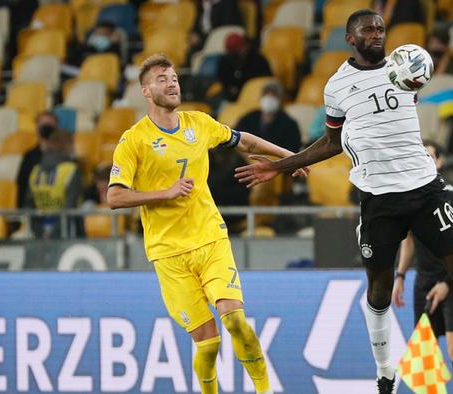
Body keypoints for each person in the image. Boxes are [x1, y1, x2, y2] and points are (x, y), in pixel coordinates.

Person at [234, 10, 453, 393]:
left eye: (380, 27)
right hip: (378, 199)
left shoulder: (404, 64)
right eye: (368, 29)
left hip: (425, 189)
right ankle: (384, 372)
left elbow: (421, 76)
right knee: (377, 292)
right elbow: (331, 141)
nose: (376, 33)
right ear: (350, 37)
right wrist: (281, 166)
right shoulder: (337, 86)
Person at [107, 54, 306, 394]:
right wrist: (163, 193)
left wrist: (290, 157)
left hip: (210, 239)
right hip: (168, 254)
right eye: (161, 79)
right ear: (145, 90)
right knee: (208, 343)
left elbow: (245, 140)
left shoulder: (198, 124)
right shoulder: (134, 140)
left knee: (235, 321)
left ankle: (265, 390)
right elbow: (114, 197)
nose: (171, 83)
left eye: (174, 78)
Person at [392, 141, 453, 394]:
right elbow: (408, 242)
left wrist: (447, 283)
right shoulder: (408, 198)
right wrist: (400, 275)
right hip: (424, 281)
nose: (424, 162)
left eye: (429, 157)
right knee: (425, 352)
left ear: (439, 162)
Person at [25, 130, 84, 239]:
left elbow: (29, 204)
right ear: (68, 146)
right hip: (66, 233)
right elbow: (70, 208)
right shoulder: (71, 170)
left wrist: (39, 232)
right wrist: (53, 235)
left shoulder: (35, 171)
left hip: (40, 231)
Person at [235, 81, 302, 154]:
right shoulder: (249, 117)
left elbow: (291, 152)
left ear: (281, 99)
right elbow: (235, 137)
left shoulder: (290, 125)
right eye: (266, 93)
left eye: (274, 94)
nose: (269, 97)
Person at [16, 111, 59, 208]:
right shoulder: (29, 156)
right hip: (34, 209)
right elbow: (22, 185)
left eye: (49, 127)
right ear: (37, 129)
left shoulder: (66, 156)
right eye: (44, 127)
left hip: (58, 208)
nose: (47, 131)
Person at [215, 32, 272, 102]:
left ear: (245, 45)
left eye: (238, 48)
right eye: (232, 51)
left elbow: (267, 81)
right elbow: (223, 82)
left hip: (255, 97)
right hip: (230, 99)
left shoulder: (258, 61)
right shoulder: (224, 62)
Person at [427, 26, 453, 98]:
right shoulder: (424, 63)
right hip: (426, 97)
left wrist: (444, 62)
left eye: (438, 43)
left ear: (446, 45)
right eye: (431, 43)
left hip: (449, 98)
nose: (434, 46)